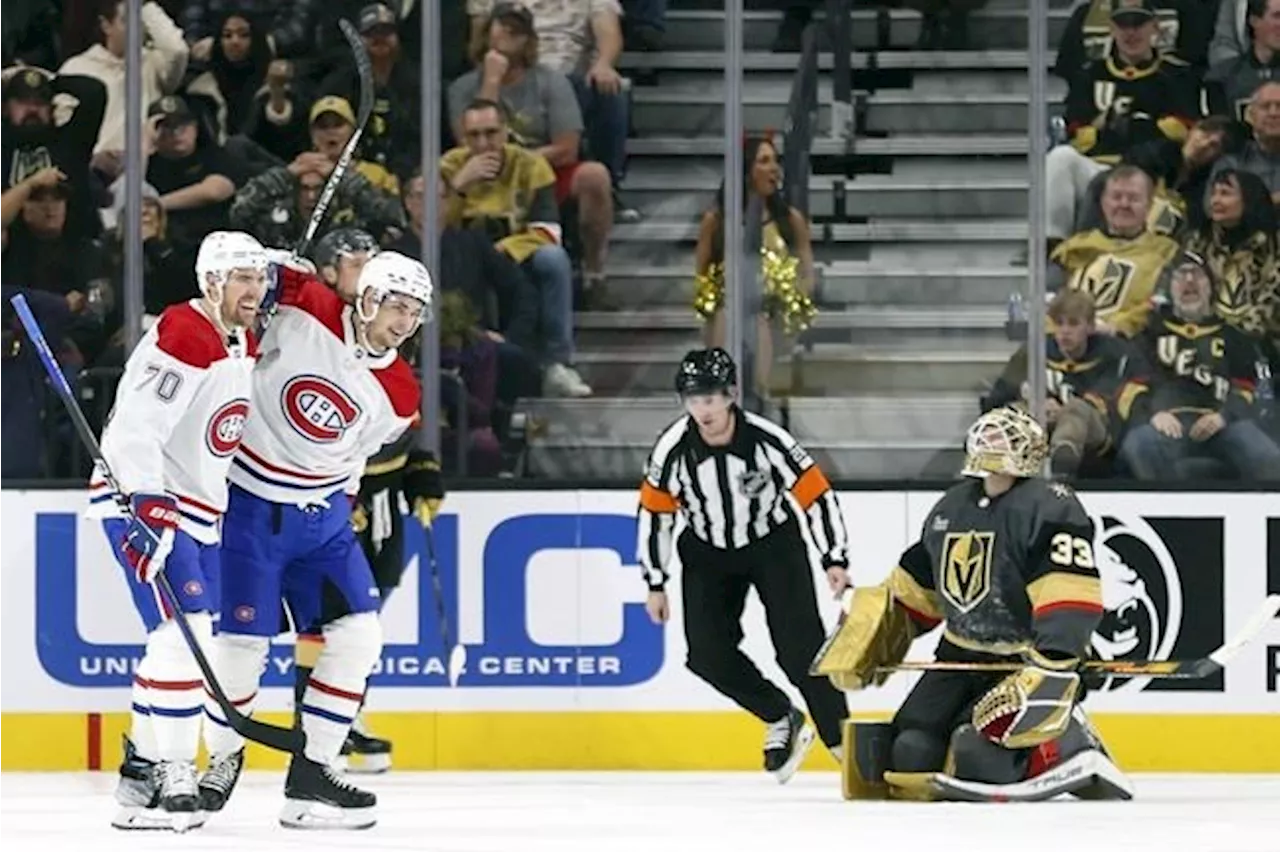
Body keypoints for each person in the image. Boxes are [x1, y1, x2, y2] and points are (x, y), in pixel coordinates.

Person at [200, 249, 431, 829]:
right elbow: (240, 273)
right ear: (370, 297)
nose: (404, 322)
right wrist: (274, 262)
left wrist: (342, 503)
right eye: (396, 305)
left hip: (324, 517)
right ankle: (221, 758)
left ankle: (312, 777)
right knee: (242, 645)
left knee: (359, 634)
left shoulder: (402, 392)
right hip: (251, 503)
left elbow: (356, 453)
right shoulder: (310, 302)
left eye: (415, 311)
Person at [814, 406, 1134, 803]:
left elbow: (1069, 590)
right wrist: (871, 631)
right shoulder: (952, 507)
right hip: (960, 655)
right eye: (989, 435)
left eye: (1004, 437)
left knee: (980, 754)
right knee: (910, 751)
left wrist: (1054, 663)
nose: (991, 442)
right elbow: (919, 588)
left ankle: (1068, 742)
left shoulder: (1050, 506)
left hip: (1023, 661)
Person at [83, 231, 269, 831]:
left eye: (260, 277)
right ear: (210, 282)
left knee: (191, 639)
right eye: (242, 277)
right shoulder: (185, 333)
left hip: (201, 511)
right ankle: (173, 765)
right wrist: (147, 505)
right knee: (179, 633)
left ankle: (137, 778)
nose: (256, 288)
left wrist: (283, 271)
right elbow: (132, 429)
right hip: (146, 501)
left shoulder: (239, 334)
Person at [635, 347, 850, 784]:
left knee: (801, 651)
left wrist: (834, 556)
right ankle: (779, 715)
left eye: (711, 399)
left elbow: (815, 494)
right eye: (693, 400)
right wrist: (654, 581)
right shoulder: (672, 450)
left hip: (773, 546)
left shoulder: (768, 439)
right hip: (708, 553)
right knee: (707, 656)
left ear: (731, 395)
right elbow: (656, 515)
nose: (703, 410)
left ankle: (846, 746)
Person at [289, 227, 447, 773]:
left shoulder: (396, 373)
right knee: (323, 620)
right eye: (354, 266)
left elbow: (402, 432)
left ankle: (342, 718)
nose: (404, 321)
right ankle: (311, 725)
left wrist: (422, 476)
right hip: (318, 501)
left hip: (373, 502)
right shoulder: (317, 327)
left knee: (361, 619)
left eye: (414, 309)